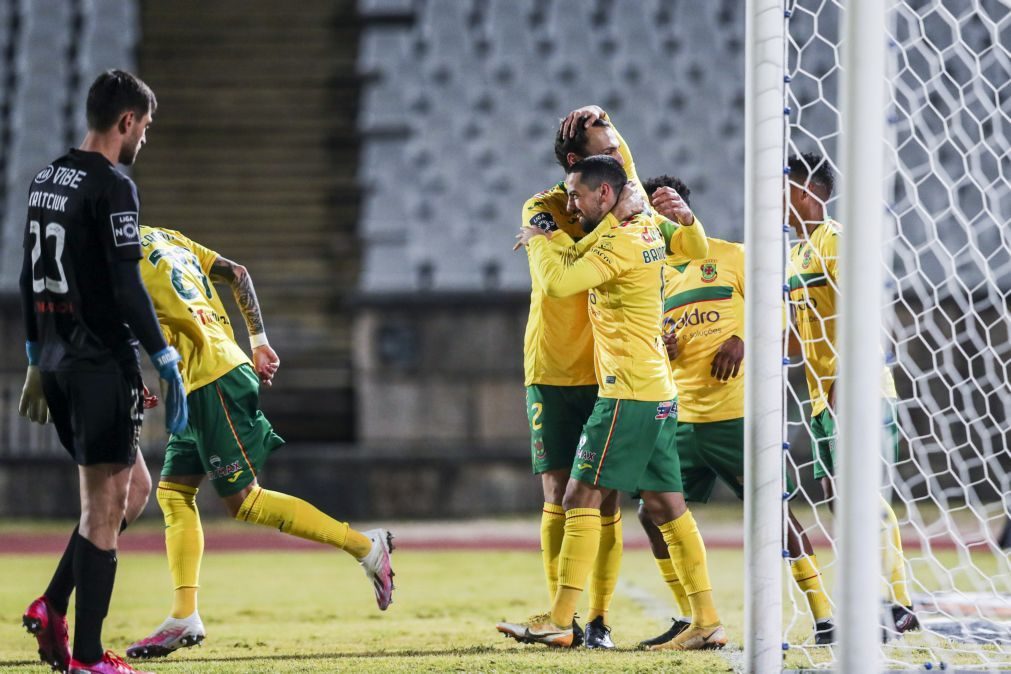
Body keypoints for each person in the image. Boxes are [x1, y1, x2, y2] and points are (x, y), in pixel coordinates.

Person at [121, 225, 395, 659]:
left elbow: (129, 323)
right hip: (206, 375)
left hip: (212, 378)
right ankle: (183, 615)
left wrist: (132, 378)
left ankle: (365, 546)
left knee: (245, 502)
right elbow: (238, 273)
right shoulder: (166, 237)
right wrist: (260, 342)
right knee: (173, 494)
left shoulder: (115, 255)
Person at [499, 156, 726, 651]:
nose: (572, 205)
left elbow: (558, 282)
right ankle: (706, 619)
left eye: (578, 195)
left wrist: (544, 240)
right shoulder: (646, 226)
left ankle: (561, 619)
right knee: (668, 505)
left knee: (579, 496)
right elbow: (694, 246)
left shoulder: (623, 238)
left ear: (605, 195)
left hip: (627, 392)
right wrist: (688, 219)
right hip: (658, 390)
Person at [18, 69, 187, 674]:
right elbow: (125, 284)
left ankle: (52, 604)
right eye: (145, 126)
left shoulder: (45, 180)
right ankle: (88, 657)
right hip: (95, 364)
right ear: (125, 122)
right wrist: (160, 354)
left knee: (131, 491)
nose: (145, 137)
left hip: (62, 365)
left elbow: (26, 278)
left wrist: (36, 359)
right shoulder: (113, 185)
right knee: (102, 505)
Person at [634, 176, 834, 649]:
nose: (656, 219)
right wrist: (663, 346)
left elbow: (782, 312)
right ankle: (691, 618)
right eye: (649, 212)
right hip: (683, 420)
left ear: (684, 210)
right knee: (650, 512)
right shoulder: (654, 276)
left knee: (775, 516)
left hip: (736, 417)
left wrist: (744, 341)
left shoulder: (732, 256)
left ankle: (825, 615)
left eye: (665, 208)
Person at [785, 152, 918, 634]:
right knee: (836, 497)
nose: (776, 202)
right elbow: (802, 335)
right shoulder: (798, 252)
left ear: (805, 193)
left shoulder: (836, 241)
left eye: (784, 191)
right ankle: (871, 592)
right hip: (823, 398)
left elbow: (868, 314)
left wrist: (847, 382)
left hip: (858, 389)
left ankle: (897, 603)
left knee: (862, 493)